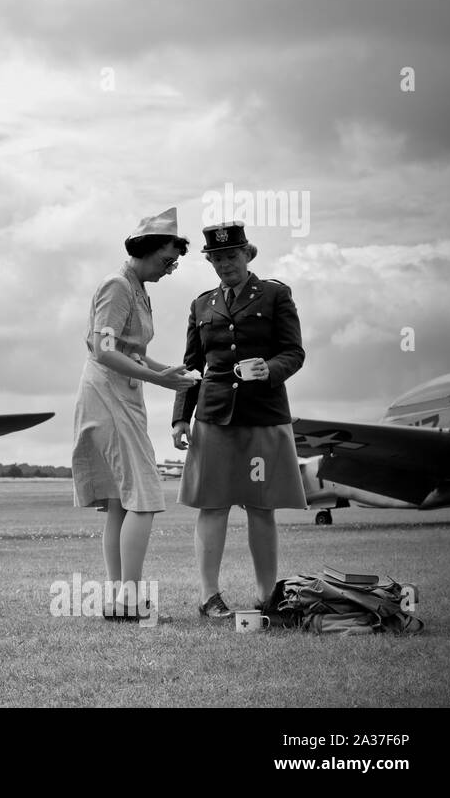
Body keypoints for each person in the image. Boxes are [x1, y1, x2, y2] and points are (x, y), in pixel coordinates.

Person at [171, 221, 306, 619]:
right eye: (216, 258)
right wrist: (181, 418)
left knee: (262, 507)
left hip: (263, 416)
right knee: (212, 506)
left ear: (247, 255)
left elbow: (294, 352)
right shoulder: (201, 304)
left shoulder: (276, 294)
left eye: (231, 255)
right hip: (213, 418)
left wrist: (270, 368)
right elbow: (191, 367)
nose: (224, 263)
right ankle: (208, 597)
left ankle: (266, 596)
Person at [72, 207, 199, 622]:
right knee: (143, 497)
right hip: (108, 394)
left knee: (120, 503)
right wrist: (161, 382)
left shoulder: (139, 288)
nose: (170, 268)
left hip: (124, 393)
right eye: (167, 260)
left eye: (175, 262)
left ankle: (119, 599)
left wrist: (165, 371)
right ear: (144, 251)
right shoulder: (118, 285)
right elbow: (104, 350)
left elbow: (132, 350)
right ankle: (128, 597)